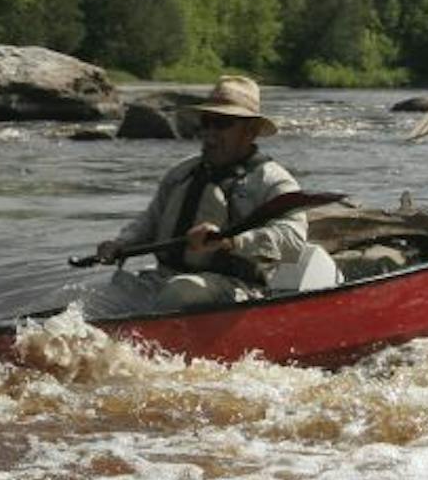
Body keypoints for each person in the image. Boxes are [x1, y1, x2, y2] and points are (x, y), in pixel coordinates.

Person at [90, 75, 307, 312]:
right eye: (207, 121)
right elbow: (150, 221)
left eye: (223, 123)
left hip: (235, 290)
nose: (210, 132)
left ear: (250, 131)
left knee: (182, 290)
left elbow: (293, 241)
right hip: (161, 281)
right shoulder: (182, 173)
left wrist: (231, 241)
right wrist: (121, 243)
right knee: (95, 302)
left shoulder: (274, 181)